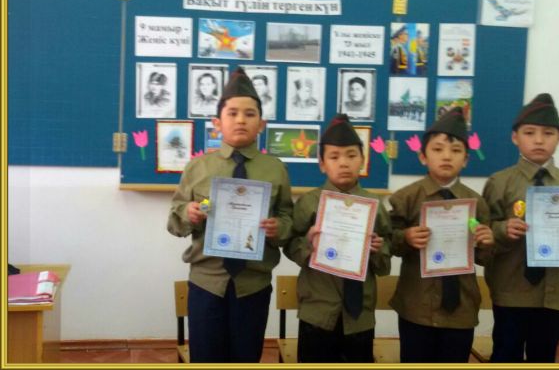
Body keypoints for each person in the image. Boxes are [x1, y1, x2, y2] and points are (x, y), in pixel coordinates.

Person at [167, 67, 294, 363]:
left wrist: (279, 227)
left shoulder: (275, 169)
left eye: (250, 114)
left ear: (261, 124)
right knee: (206, 358)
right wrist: (188, 213)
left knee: (246, 358)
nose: (240, 120)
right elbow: (174, 221)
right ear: (217, 123)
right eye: (232, 113)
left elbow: (288, 217)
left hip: (253, 285)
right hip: (206, 283)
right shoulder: (197, 168)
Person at [482, 93, 559, 363]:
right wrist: (502, 230)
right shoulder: (499, 182)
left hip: (552, 293)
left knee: (543, 357)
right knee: (505, 355)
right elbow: (481, 235)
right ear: (515, 137)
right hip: (510, 291)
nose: (539, 140)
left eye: (548, 133)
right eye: (530, 133)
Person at [388, 107, 495, 363]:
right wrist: (406, 237)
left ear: (466, 159)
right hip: (417, 307)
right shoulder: (405, 198)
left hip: (461, 309)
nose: (446, 156)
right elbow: (387, 242)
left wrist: (487, 242)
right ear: (423, 156)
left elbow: (484, 258)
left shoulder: (476, 203)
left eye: (456, 151)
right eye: (437, 149)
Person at [283, 113, 392, 363]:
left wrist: (379, 249)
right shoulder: (309, 203)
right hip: (318, 311)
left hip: (360, 314)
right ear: (322, 164)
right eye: (334, 157)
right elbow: (288, 245)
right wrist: (307, 244)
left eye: (351, 156)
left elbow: (385, 260)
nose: (343, 163)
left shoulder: (374, 205)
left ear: (362, 160)